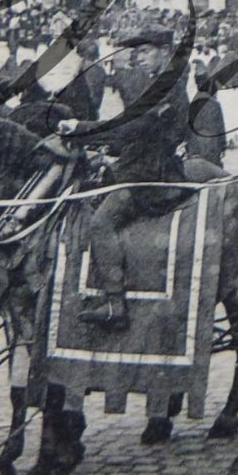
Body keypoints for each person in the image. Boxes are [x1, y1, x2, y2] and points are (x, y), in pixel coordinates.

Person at [56, 28, 192, 330]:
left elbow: (128, 129)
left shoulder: (167, 87)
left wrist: (80, 127)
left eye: (144, 51)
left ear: (165, 51)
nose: (137, 57)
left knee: (101, 222)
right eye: (136, 52)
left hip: (150, 174)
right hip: (140, 163)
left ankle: (115, 305)